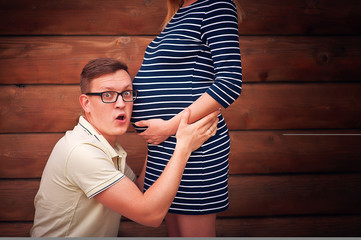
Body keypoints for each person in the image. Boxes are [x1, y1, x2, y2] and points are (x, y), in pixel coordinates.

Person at [30, 58, 219, 237]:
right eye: (108, 95)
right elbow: (150, 216)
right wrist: (183, 147)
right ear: (86, 103)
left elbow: (136, 193)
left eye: (126, 93)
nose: (121, 103)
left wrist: (158, 140)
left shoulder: (105, 145)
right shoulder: (81, 151)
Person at [131, 0, 243, 237]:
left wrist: (169, 127)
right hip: (165, 147)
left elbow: (230, 81)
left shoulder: (216, 6)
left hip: (194, 146)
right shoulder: (179, 12)